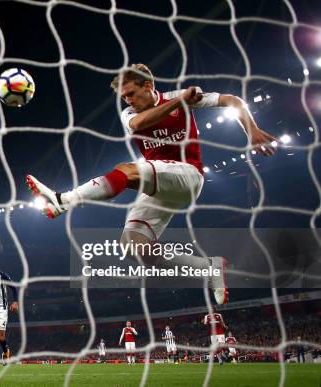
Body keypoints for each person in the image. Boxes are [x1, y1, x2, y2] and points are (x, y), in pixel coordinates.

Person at [26, 64, 277, 305]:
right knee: (134, 246)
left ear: (148, 85)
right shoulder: (132, 114)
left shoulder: (177, 96)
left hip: (188, 176)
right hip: (161, 183)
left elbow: (232, 100)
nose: (128, 101)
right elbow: (139, 125)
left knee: (127, 170)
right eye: (124, 97)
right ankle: (207, 268)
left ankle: (63, 200)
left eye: (132, 93)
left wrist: (251, 130)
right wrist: (181, 101)